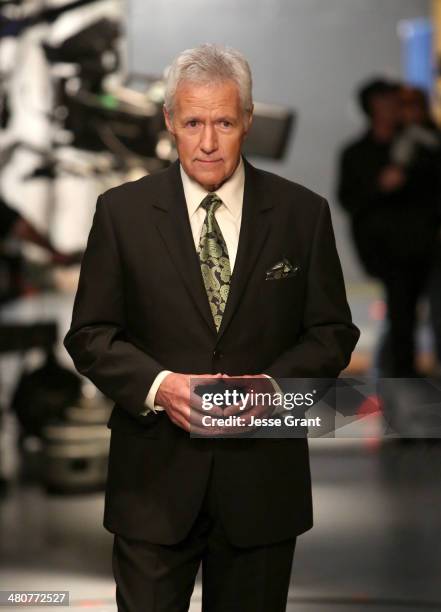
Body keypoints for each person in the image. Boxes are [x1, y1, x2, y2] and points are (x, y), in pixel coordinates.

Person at [64, 44, 359, 612]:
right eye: (193, 122)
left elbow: (331, 331)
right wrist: (159, 387)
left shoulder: (303, 214)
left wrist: (272, 390)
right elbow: (91, 333)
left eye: (224, 122)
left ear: (247, 121)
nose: (207, 142)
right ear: (170, 121)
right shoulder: (121, 213)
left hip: (261, 486)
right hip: (152, 483)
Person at [337, 78, 440, 377]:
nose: (397, 109)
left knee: (415, 318)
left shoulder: (418, 145)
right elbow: (349, 199)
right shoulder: (357, 153)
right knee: (402, 319)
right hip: (387, 251)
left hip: (426, 246)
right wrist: (380, 186)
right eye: (390, 103)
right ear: (374, 108)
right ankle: (402, 384)